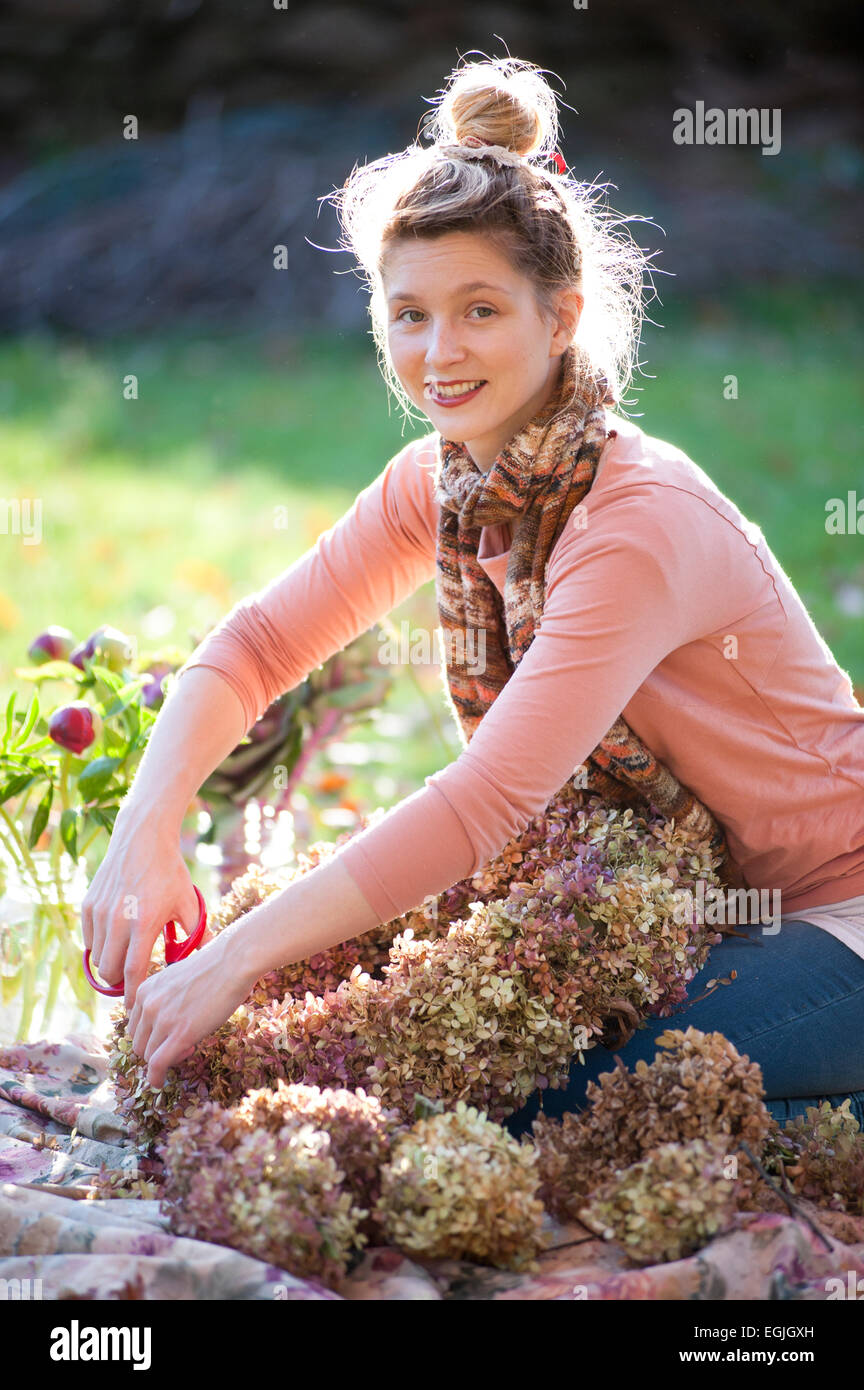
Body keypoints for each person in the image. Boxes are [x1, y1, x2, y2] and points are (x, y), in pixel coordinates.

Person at [81, 57, 864, 1133]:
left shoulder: (636, 523)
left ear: (562, 315)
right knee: (388, 1043)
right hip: (672, 911)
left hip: (834, 917)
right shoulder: (438, 485)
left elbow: (489, 800)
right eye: (409, 315)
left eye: (480, 309)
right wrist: (145, 832)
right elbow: (260, 644)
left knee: (532, 1097)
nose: (439, 354)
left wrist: (234, 958)